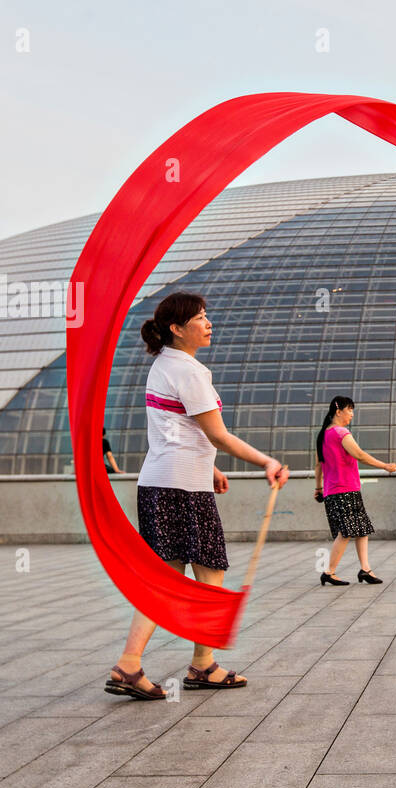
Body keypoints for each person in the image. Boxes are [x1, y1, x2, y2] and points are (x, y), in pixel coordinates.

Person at [105, 291, 287, 702]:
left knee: (164, 578)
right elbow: (217, 434)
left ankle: (129, 664)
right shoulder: (189, 370)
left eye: (208, 316)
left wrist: (211, 468)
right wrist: (266, 462)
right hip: (182, 488)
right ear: (176, 328)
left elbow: (178, 431)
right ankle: (202, 665)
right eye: (201, 318)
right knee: (211, 571)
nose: (209, 323)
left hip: (162, 483)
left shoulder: (163, 366)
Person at [314, 396, 396, 585]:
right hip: (345, 489)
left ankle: (365, 570)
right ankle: (329, 572)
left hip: (333, 490)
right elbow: (359, 454)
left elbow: (319, 466)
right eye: (350, 410)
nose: (352, 414)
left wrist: (319, 488)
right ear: (338, 411)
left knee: (361, 529)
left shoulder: (322, 435)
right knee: (346, 532)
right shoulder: (340, 432)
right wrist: (385, 466)